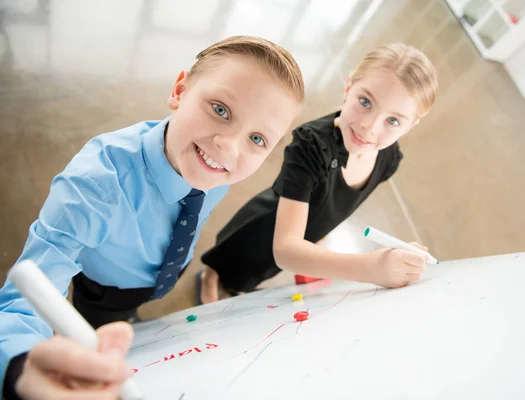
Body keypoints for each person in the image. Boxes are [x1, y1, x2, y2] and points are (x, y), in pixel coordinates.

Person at [0, 36, 304, 400]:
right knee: (101, 330)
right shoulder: (94, 187)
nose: (229, 145)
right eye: (220, 110)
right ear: (180, 90)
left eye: (257, 138)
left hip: (152, 278)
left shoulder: (213, 166)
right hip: (103, 290)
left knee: (131, 323)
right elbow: (24, 300)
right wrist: (18, 368)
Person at [199, 43, 438, 304]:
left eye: (393, 121)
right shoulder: (310, 145)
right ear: (349, 87)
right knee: (235, 255)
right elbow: (285, 250)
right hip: (267, 225)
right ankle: (209, 275)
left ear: (410, 126)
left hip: (308, 232)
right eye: (365, 102)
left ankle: (236, 284)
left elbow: (339, 201)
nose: (369, 126)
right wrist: (372, 268)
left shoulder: (389, 158)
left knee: (257, 271)